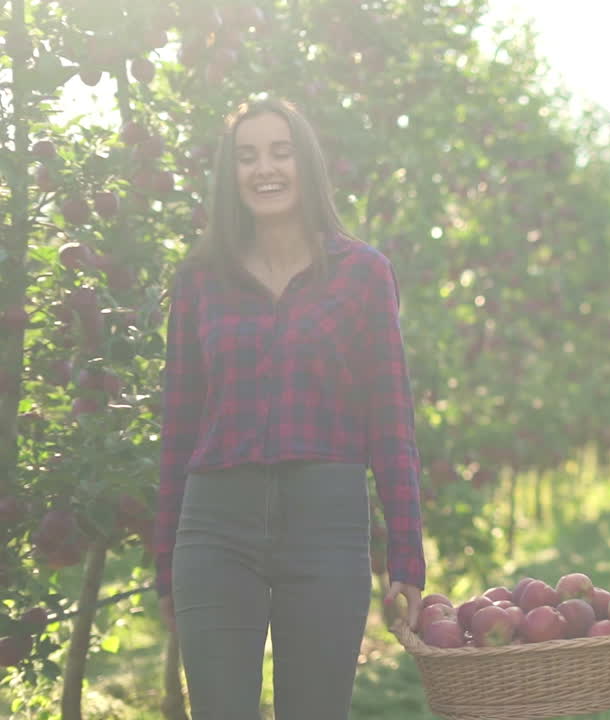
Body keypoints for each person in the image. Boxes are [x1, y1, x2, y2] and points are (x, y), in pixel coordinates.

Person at [152, 98, 426, 720]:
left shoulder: (362, 274)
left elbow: (391, 424)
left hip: (326, 525)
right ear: (231, 175)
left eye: (280, 151)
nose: (264, 169)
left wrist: (406, 554)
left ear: (306, 163)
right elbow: (178, 427)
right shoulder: (199, 279)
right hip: (215, 525)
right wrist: (165, 556)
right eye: (247, 157)